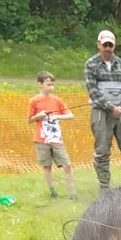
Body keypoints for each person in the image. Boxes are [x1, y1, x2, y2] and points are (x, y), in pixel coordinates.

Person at [85, 29, 121, 191]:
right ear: (99, 45)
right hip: (101, 112)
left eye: (111, 45)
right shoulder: (91, 64)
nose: (108, 48)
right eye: (105, 45)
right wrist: (110, 107)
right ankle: (104, 188)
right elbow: (92, 90)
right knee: (102, 151)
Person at [28, 70, 75, 199]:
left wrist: (57, 116)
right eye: (48, 84)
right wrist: (39, 115)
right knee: (47, 166)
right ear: (40, 84)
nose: (51, 87)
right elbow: (30, 119)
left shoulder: (57, 100)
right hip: (41, 140)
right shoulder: (33, 101)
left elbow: (70, 115)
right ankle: (52, 191)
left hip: (56, 139)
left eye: (52, 84)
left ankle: (72, 192)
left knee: (67, 165)